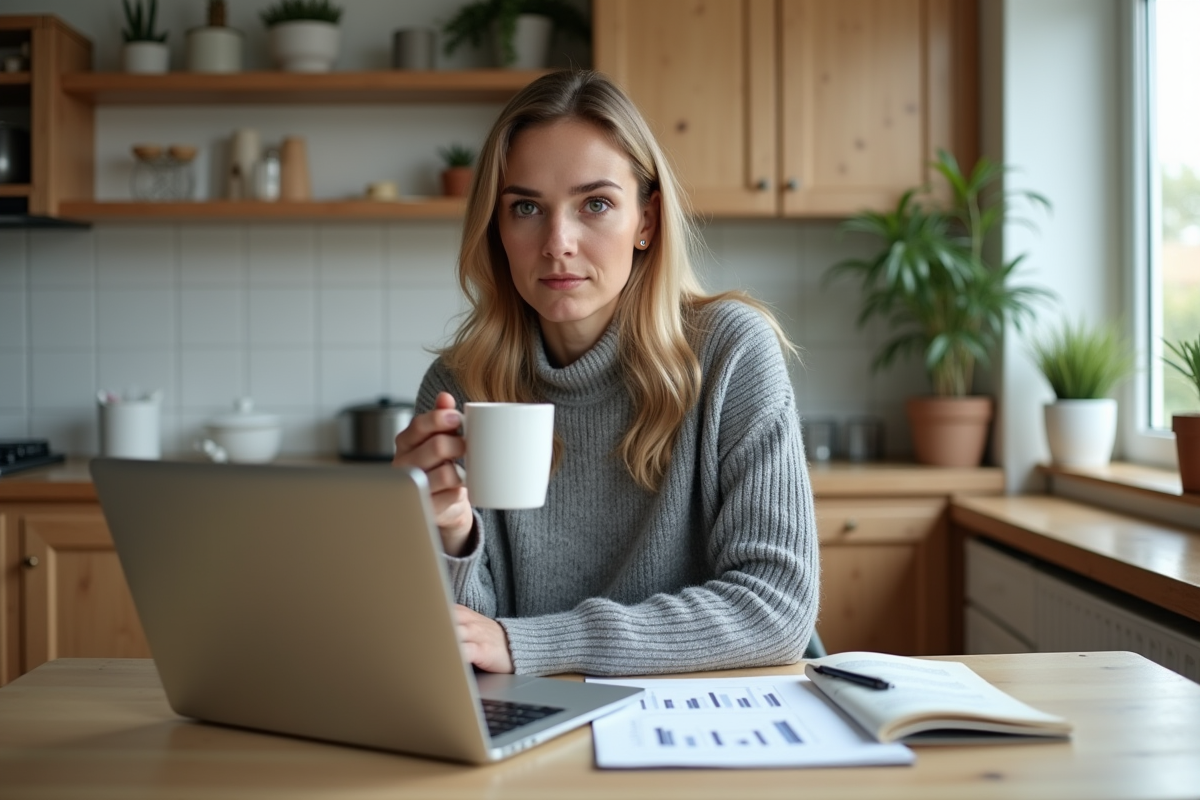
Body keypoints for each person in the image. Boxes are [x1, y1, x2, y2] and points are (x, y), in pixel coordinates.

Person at [393, 70, 817, 677]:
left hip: (709, 720)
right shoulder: (460, 385)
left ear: (646, 221)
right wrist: (451, 537)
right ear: (497, 228)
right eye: (526, 208)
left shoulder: (729, 352)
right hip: (536, 725)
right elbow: (470, 646)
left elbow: (776, 610)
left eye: (595, 204)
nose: (557, 242)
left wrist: (538, 644)